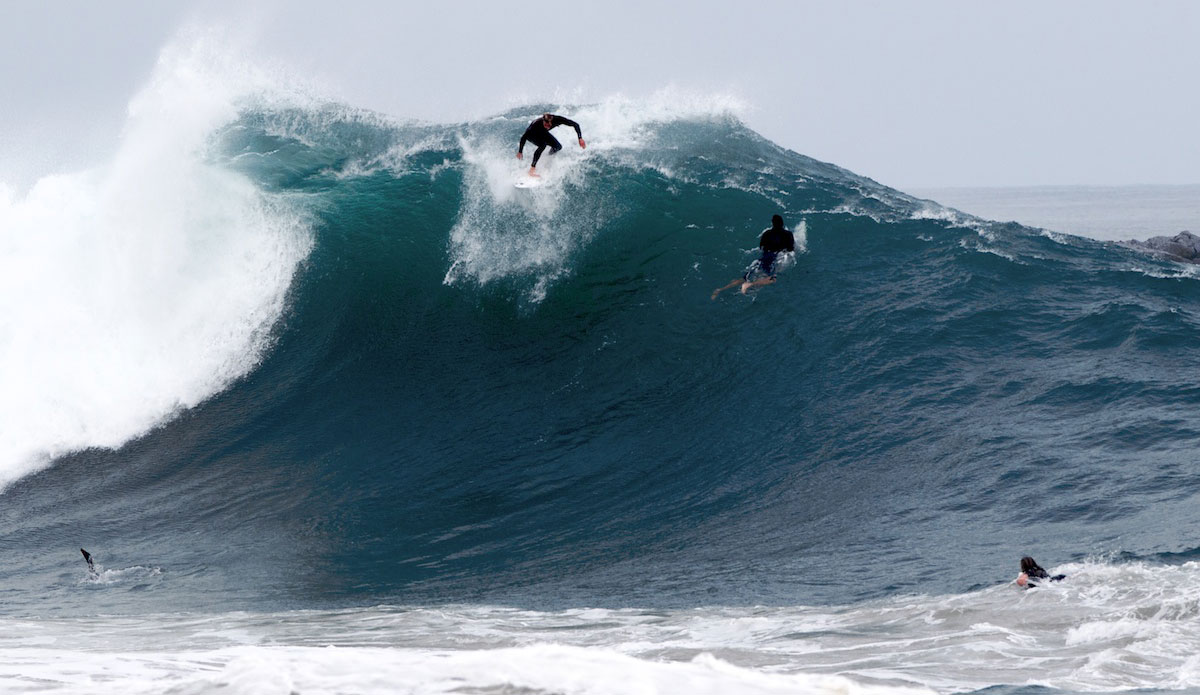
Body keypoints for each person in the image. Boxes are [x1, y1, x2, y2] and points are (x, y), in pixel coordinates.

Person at [711, 215, 796, 299]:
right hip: (775, 258)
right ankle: (750, 284)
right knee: (772, 279)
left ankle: (720, 289)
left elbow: (761, 246)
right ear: (782, 223)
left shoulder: (767, 233)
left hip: (764, 257)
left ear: (772, 223)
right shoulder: (788, 234)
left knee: (745, 277)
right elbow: (791, 249)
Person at [517, 113, 586, 177]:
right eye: (545, 125)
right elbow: (524, 137)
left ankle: (547, 156)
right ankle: (532, 169)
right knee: (543, 145)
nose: (547, 127)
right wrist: (520, 151)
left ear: (552, 122)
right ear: (543, 121)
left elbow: (576, 124)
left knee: (558, 147)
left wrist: (580, 138)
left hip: (543, 133)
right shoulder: (536, 123)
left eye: (549, 126)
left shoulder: (558, 120)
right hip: (532, 135)